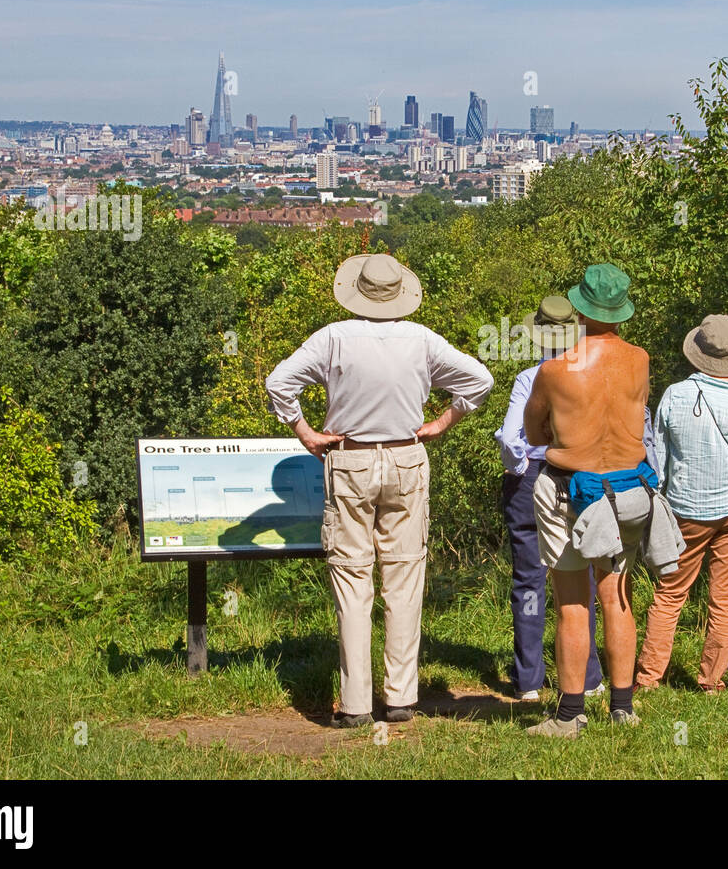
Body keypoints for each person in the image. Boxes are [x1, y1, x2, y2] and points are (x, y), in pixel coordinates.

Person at [265, 253, 494, 726]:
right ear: (399, 295)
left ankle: (353, 704)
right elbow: (480, 380)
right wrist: (443, 422)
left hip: (350, 458)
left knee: (352, 578)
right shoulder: (422, 340)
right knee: (404, 578)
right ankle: (400, 698)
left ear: (356, 292)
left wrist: (305, 432)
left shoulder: (333, 337)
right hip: (407, 457)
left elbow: (279, 382)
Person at [522, 263, 651, 736]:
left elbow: (533, 432)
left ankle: (570, 715)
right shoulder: (640, 359)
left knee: (573, 604)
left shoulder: (556, 370)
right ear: (621, 311)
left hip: (566, 488)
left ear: (578, 309)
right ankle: (622, 707)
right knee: (617, 595)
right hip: (626, 490)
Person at [636, 314, 728, 693]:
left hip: (686, 510)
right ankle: (710, 681)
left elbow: (660, 459)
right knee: (725, 596)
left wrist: (658, 504)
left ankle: (647, 678)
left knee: (669, 594)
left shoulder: (675, 395)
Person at [494, 295, 606, 701]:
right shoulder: (593, 373)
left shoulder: (530, 377)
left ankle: (528, 681)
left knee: (529, 580)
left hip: (533, 479)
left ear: (539, 335)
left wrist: (521, 468)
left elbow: (510, 437)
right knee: (581, 576)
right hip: (580, 476)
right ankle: (589, 677)